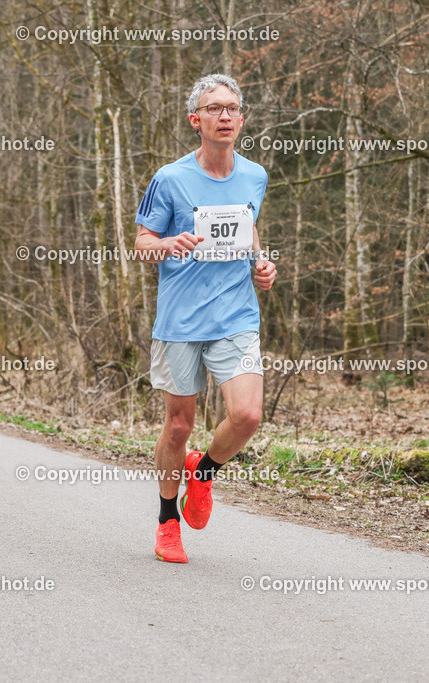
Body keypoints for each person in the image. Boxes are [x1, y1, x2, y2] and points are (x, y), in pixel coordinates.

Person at [133, 73, 276, 563]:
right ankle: (167, 520)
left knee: (248, 415)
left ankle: (205, 471)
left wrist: (262, 263)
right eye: (214, 109)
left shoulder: (254, 175)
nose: (225, 117)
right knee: (178, 426)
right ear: (196, 120)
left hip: (236, 314)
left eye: (232, 109)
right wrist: (167, 243)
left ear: (242, 119)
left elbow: (248, 227)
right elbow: (141, 244)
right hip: (181, 320)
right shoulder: (170, 178)